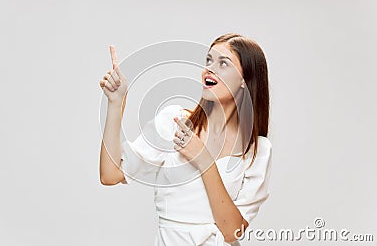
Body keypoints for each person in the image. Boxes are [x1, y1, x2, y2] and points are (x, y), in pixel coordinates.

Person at [99, 33, 272, 246]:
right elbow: (110, 174)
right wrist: (115, 104)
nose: (210, 68)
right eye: (209, 60)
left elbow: (232, 232)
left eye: (223, 63)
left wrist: (204, 161)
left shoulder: (257, 150)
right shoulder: (174, 122)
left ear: (245, 80)